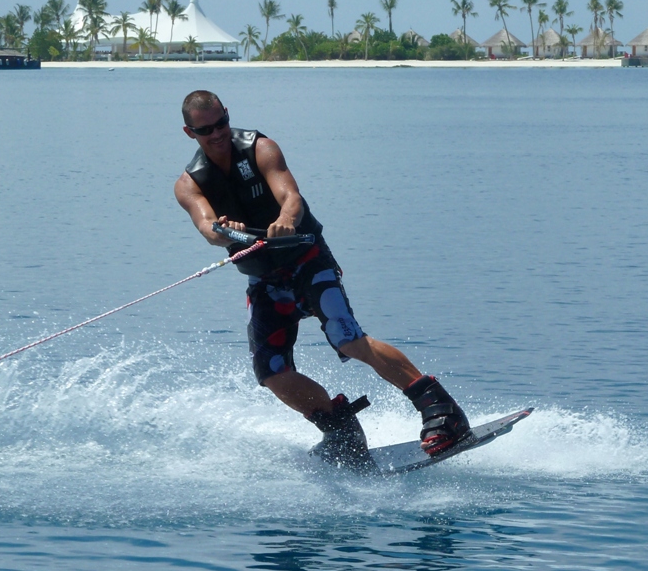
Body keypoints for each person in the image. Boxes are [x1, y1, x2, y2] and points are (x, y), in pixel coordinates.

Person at [174, 90, 471, 468]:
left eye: (221, 124)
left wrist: (286, 219)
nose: (216, 134)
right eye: (205, 130)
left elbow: (291, 196)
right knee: (272, 373)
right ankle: (340, 429)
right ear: (190, 132)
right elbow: (207, 228)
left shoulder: (260, 148)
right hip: (265, 282)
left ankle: (440, 409)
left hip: (307, 261)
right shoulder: (189, 183)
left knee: (348, 340)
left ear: (228, 116)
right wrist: (224, 231)